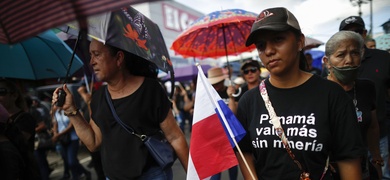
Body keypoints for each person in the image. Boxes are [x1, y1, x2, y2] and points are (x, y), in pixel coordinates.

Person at [237, 7, 365, 179]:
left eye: (278, 39)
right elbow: (245, 153)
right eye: (261, 46)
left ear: (299, 42)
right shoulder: (249, 102)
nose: (268, 51)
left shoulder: (332, 95)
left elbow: (348, 161)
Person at [52, 39, 189, 179]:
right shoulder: (98, 98)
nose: (91, 62)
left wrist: (194, 176)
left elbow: (174, 137)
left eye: (97, 54)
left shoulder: (150, 89)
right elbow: (93, 142)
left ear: (118, 58)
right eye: (90, 55)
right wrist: (71, 110)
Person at [323, 30, 382, 179]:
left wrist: (376, 157)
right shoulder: (317, 91)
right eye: (341, 55)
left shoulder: (367, 88)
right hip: (329, 172)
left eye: (355, 53)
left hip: (363, 169)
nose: (349, 60)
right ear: (327, 62)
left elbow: (372, 127)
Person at [339, 15, 390, 180]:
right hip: (345, 140)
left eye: (357, 31)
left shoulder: (383, 58)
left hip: (379, 133)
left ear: (365, 33)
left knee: (382, 175)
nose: (353, 36)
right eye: (347, 32)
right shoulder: (335, 62)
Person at [0, 78, 41, 180]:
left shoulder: (25, 118)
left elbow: (18, 142)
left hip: (23, 171)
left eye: (1, 92)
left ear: (14, 95)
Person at [207, 67, 238, 180]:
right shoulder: (207, 95)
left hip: (230, 132)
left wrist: (231, 97)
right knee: (216, 165)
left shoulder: (230, 91)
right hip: (215, 135)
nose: (216, 86)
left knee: (232, 162)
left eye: (218, 83)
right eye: (213, 84)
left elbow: (233, 114)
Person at [52, 106, 91, 180]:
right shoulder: (57, 112)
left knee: (71, 162)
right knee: (68, 160)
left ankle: (77, 176)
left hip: (73, 139)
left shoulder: (70, 110)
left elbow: (71, 125)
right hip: (62, 140)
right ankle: (84, 173)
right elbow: (55, 123)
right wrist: (55, 133)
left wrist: (58, 135)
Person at [77, 84, 105, 180]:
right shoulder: (83, 101)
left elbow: (94, 116)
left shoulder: (96, 98)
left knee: (101, 161)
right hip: (90, 133)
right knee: (96, 161)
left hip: (99, 134)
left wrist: (89, 101)